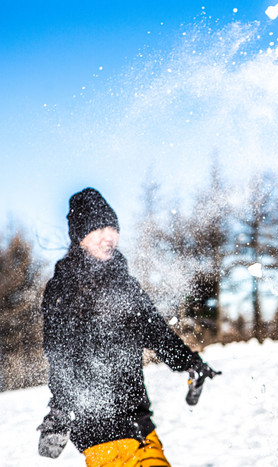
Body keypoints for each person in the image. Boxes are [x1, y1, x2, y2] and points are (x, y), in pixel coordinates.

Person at [38, 188, 219, 466]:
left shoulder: (124, 283)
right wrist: (59, 412)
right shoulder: (64, 288)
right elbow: (60, 354)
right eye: (98, 229)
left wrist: (190, 363)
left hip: (140, 426)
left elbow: (155, 330)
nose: (108, 236)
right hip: (100, 436)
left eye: (112, 228)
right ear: (80, 237)